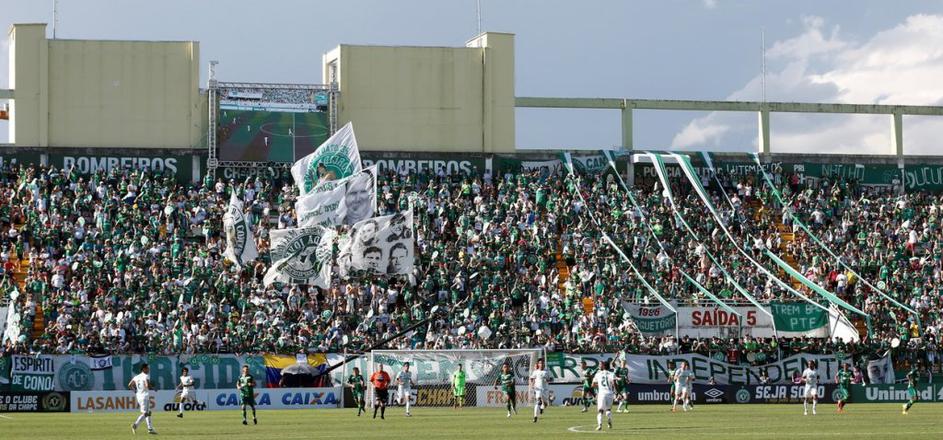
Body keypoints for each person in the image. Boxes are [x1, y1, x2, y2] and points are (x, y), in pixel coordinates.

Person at [129, 363, 156, 435]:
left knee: (148, 412)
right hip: (144, 396)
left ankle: (150, 428)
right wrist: (153, 388)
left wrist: (135, 391)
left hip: (139, 396)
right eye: (147, 368)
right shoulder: (146, 376)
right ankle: (135, 425)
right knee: (146, 413)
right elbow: (147, 385)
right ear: (144, 369)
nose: (148, 369)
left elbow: (129, 385)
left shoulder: (136, 377)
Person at [592, 360, 616, 431]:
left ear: (604, 366)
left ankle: (599, 425)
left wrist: (599, 385)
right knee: (608, 410)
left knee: (600, 411)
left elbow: (593, 385)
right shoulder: (611, 374)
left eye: (601, 365)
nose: (600, 366)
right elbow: (614, 383)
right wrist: (617, 392)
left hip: (602, 394)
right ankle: (609, 420)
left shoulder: (598, 374)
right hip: (610, 393)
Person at [529, 358, 550, 423]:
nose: (542, 364)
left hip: (545, 389)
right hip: (538, 389)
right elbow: (531, 378)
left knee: (545, 404)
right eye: (540, 363)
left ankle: (541, 409)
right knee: (538, 402)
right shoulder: (536, 372)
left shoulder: (546, 371)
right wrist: (532, 385)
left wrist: (547, 380)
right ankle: (535, 417)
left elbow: (550, 379)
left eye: (542, 363)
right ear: (538, 364)